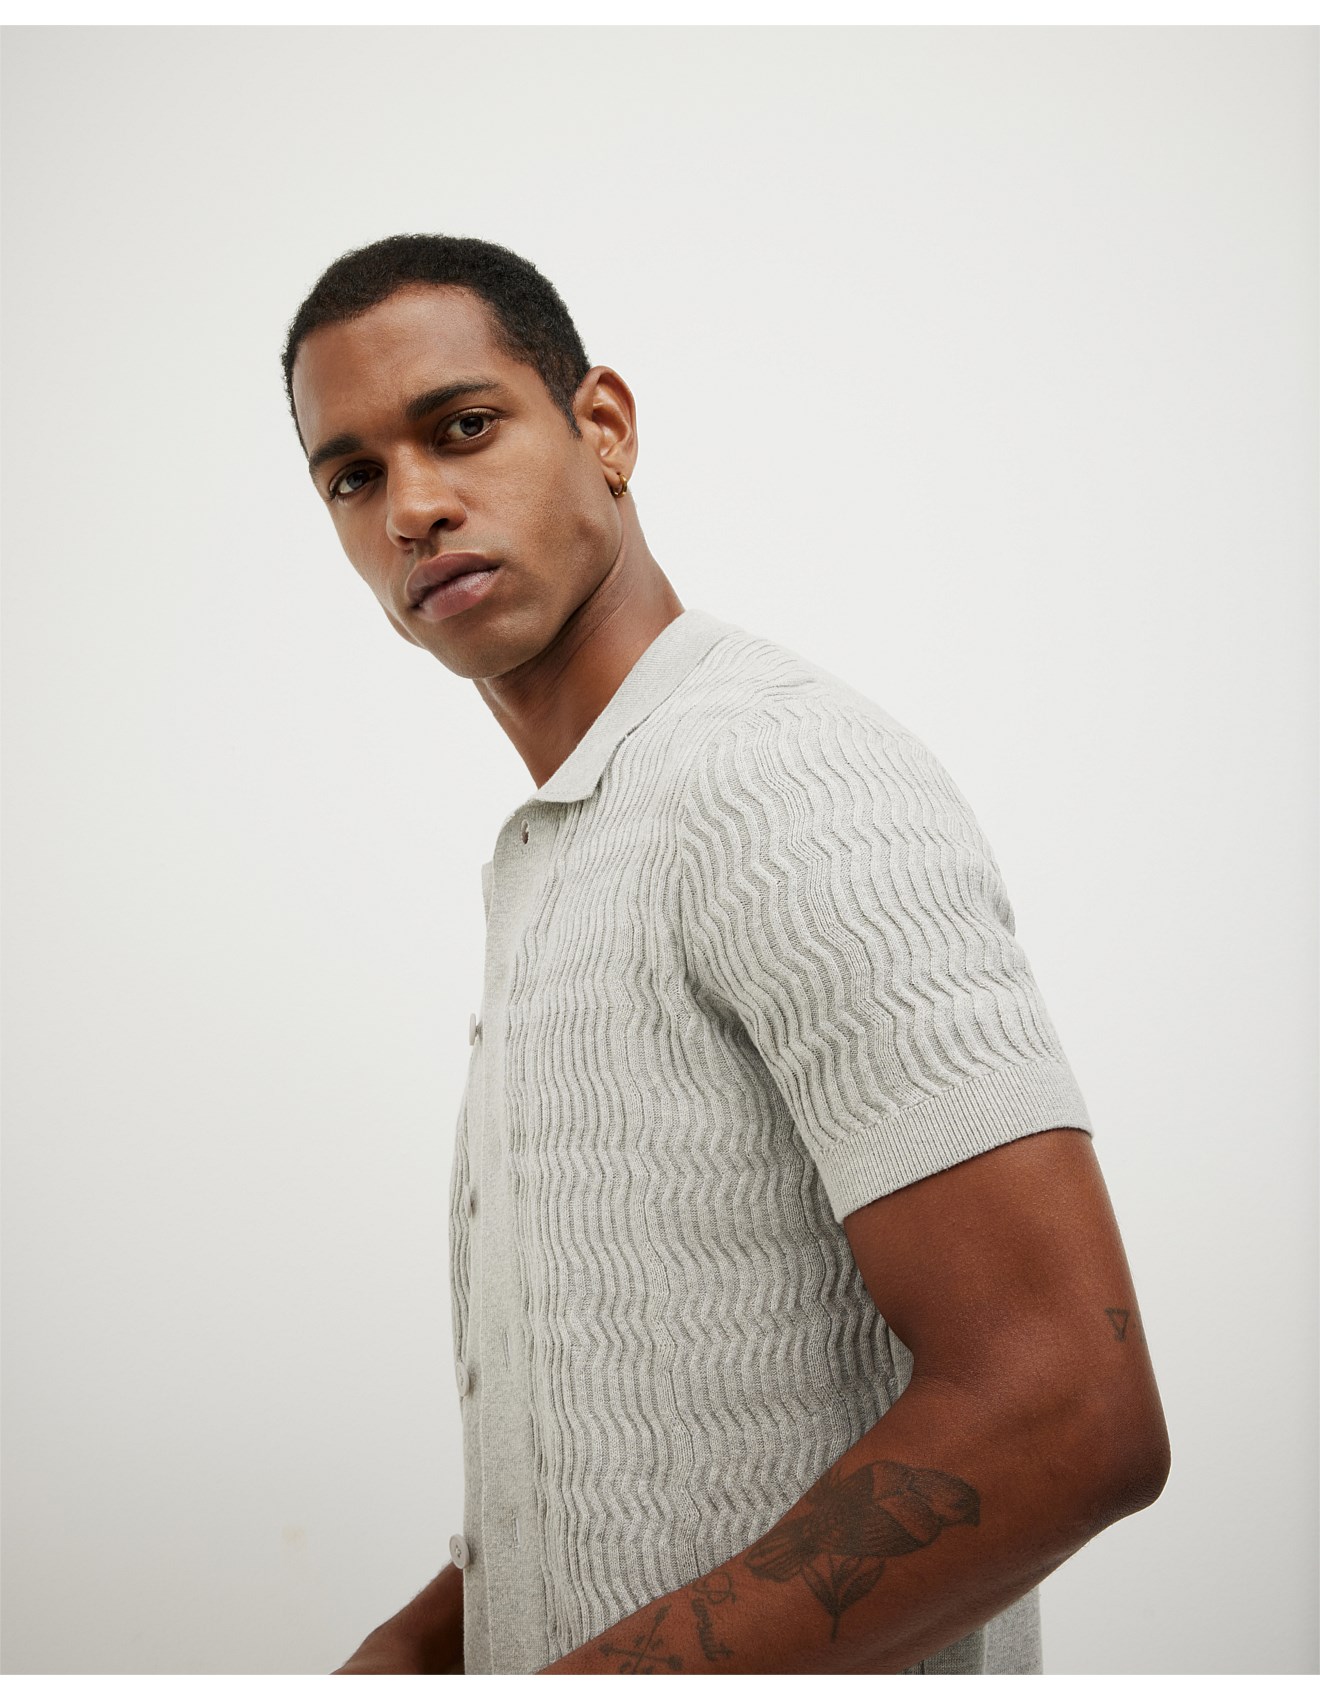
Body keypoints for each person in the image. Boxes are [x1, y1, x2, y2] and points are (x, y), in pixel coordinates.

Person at [281, 234, 1170, 1677]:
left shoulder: (777, 773)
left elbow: (1069, 1411)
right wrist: (426, 1644)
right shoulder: (575, 841)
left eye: (464, 427)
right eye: (352, 476)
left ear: (604, 428)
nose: (414, 507)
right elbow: (630, 1442)